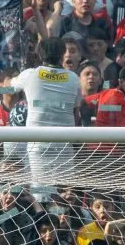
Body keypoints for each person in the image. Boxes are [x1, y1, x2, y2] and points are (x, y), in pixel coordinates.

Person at [9, 38, 82, 184]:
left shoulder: (30, 74)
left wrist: (4, 81)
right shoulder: (74, 78)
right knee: (65, 192)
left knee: (41, 191)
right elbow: (76, 111)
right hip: (64, 145)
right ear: (63, 53)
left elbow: (10, 88)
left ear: (39, 54)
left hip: (38, 145)